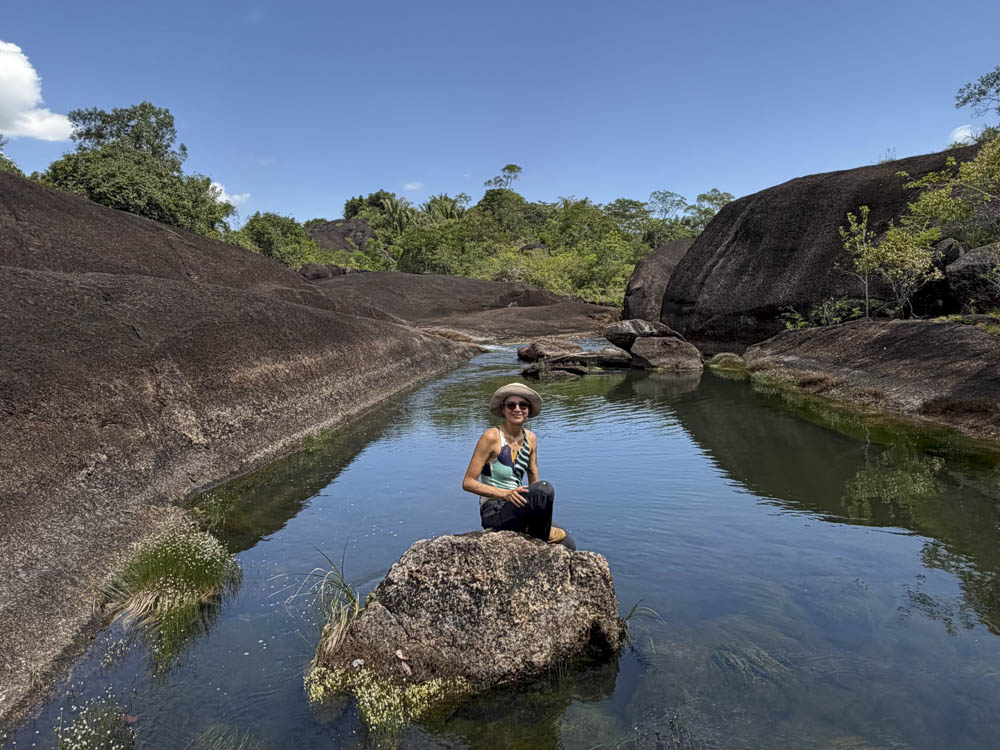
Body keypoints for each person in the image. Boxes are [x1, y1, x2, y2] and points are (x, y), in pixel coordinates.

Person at [462, 383, 575, 549]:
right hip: (495, 509)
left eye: (523, 405)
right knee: (545, 489)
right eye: (511, 405)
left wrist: (537, 510)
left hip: (520, 505)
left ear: (528, 410)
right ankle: (539, 536)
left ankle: (535, 532)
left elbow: (534, 482)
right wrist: (506, 494)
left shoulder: (531, 438)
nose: (517, 409)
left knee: (569, 544)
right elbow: (468, 483)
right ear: (503, 409)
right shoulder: (492, 437)